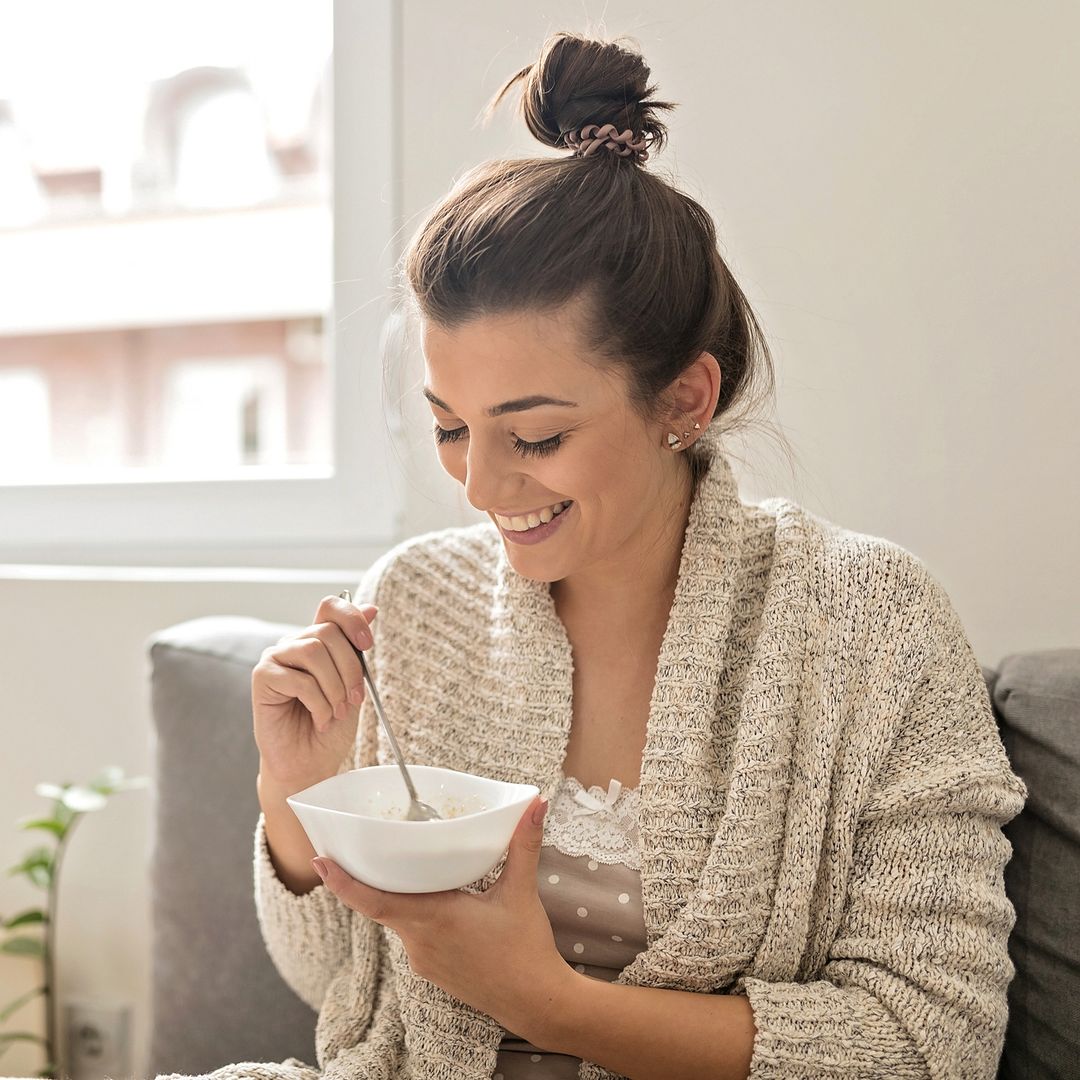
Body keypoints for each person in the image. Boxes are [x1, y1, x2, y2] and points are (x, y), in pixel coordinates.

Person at [158, 30, 1027, 1080]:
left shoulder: (871, 624)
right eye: (449, 427)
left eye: (536, 437)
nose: (480, 486)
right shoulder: (418, 603)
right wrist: (298, 800)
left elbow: (929, 1041)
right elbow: (343, 993)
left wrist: (546, 1004)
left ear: (684, 399)